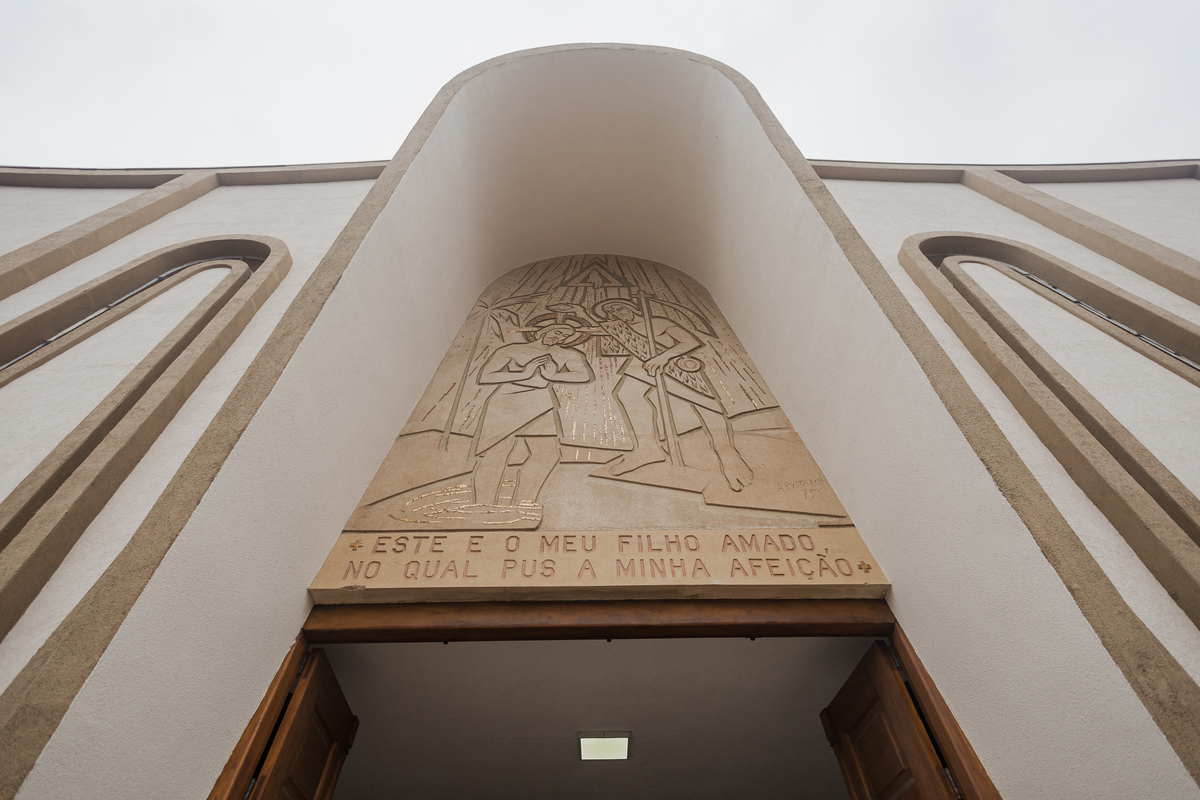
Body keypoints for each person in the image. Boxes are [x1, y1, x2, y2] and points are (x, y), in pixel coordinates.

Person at [592, 298, 753, 491]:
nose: (617, 312)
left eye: (619, 307)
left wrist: (663, 357)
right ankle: (647, 449)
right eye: (611, 311)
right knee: (627, 394)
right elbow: (591, 330)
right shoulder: (619, 327)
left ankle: (728, 455)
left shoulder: (658, 322)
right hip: (644, 365)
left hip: (674, 365)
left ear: (630, 307)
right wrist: (578, 312)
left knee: (707, 406)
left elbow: (690, 341)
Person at [471, 324, 593, 507]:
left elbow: (582, 375)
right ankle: (483, 505)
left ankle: (524, 502)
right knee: (497, 452)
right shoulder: (512, 350)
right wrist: (524, 373)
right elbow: (485, 377)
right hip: (507, 400)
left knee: (546, 454)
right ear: (542, 331)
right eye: (557, 332)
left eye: (565, 336)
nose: (560, 338)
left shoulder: (569, 354)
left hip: (540, 401)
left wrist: (554, 377)